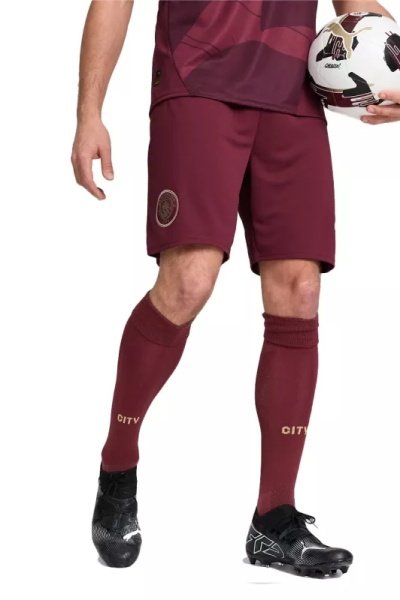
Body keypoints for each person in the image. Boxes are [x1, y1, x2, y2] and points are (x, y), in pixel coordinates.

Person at [71, 0, 397, 575]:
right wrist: (89, 113)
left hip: (294, 95)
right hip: (198, 81)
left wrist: (394, 70)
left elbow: (358, 8)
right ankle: (118, 465)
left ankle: (275, 520)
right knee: (188, 281)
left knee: (299, 291)